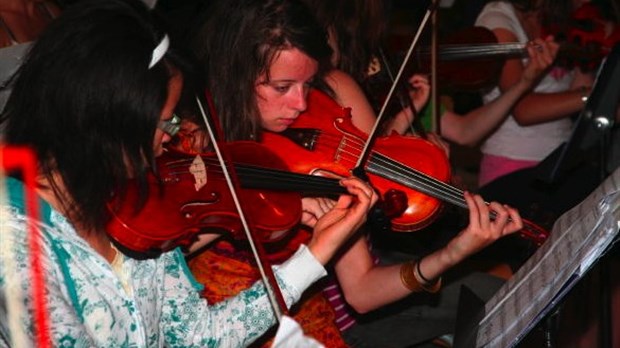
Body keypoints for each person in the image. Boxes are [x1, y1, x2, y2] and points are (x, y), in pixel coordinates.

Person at [0, 0, 378, 346]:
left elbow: (197, 336)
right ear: (108, 120)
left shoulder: (138, 209)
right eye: (166, 121)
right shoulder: (18, 249)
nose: (175, 134)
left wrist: (315, 254)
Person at [184, 0, 526, 347]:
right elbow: (162, 258)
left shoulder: (320, 127)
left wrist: (454, 252)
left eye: (308, 83)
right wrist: (255, 206)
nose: (302, 104)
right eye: (282, 87)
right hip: (223, 324)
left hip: (309, 319)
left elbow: (361, 290)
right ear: (236, 74)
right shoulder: (195, 139)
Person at [474, 0, 596, 187]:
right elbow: (523, 110)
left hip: (561, 158)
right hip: (513, 163)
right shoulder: (498, 18)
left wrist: (590, 61)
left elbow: (573, 94)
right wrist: (595, 95)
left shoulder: (557, 19)